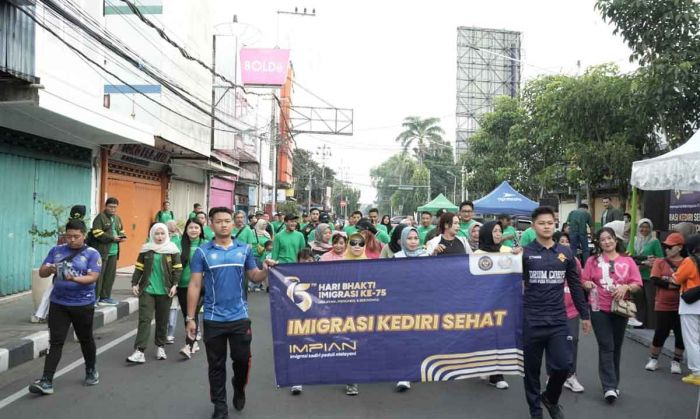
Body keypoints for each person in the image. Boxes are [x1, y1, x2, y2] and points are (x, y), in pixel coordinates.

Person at [186, 207, 275, 417]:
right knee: (216, 365)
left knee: (242, 361)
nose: (224, 224)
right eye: (219, 221)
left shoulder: (244, 249)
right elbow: (195, 285)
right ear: (211, 224)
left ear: (233, 223)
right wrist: (190, 318)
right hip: (212, 318)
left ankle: (238, 386)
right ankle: (220, 406)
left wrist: (266, 270)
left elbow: (254, 276)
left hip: (239, 318)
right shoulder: (202, 252)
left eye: (227, 220)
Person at [522, 206, 591, 419]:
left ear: (555, 224)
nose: (546, 226)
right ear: (534, 226)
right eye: (541, 223)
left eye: (550, 223)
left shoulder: (566, 253)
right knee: (532, 372)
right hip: (531, 321)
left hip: (558, 321)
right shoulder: (525, 253)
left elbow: (576, 286)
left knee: (563, 366)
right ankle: (535, 411)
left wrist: (585, 314)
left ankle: (550, 399)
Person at [28, 219, 102, 395]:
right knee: (56, 341)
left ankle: (91, 370)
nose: (72, 240)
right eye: (68, 236)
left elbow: (92, 277)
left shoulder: (92, 254)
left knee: (86, 339)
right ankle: (47, 380)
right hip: (59, 303)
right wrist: (51, 269)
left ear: (83, 235)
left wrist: (73, 279)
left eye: (76, 236)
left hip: (83, 304)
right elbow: (42, 271)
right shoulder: (57, 251)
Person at [581, 227, 642, 403]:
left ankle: (613, 383)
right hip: (599, 308)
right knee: (606, 345)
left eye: (609, 238)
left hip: (621, 309)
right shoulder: (593, 261)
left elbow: (637, 283)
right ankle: (608, 386)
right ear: (599, 244)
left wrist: (626, 287)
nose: (606, 242)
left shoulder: (628, 261)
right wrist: (588, 285)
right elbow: (584, 280)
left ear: (615, 240)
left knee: (616, 346)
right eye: (603, 240)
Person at [126, 223, 183, 364]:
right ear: (152, 234)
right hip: (147, 290)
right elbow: (139, 267)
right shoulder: (146, 249)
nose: (159, 236)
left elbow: (178, 269)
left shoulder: (172, 250)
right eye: (156, 234)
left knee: (162, 320)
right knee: (144, 319)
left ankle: (160, 347)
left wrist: (175, 285)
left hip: (165, 290)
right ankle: (139, 351)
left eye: (162, 233)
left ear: (167, 234)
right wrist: (134, 283)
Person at [474, 221, 512, 391]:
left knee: (500, 338)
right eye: (495, 231)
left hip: (504, 303)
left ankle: (497, 375)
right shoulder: (478, 254)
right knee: (487, 338)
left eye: (500, 231)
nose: (498, 234)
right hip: (485, 303)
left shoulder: (507, 251)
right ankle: (485, 367)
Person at [644, 232, 685, 374]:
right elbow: (656, 280)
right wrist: (675, 285)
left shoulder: (687, 262)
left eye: (670, 246)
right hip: (663, 304)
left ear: (679, 247)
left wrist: (668, 282)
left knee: (681, 334)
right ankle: (653, 359)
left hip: (683, 305)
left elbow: (689, 282)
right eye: (665, 246)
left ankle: (676, 361)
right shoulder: (660, 262)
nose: (666, 249)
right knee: (661, 332)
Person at [550, 232, 585, 393]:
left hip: (571, 310)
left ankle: (570, 376)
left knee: (572, 342)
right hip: (552, 310)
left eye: (567, 241)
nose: (564, 244)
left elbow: (580, 282)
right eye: (561, 241)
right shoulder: (548, 259)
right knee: (551, 344)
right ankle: (551, 375)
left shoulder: (575, 261)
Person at [175, 219, 207, 359]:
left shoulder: (207, 245)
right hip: (183, 285)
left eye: (196, 227)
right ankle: (193, 342)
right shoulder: (179, 245)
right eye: (190, 227)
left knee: (192, 314)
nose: (193, 230)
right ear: (186, 230)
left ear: (201, 230)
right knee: (187, 315)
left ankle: (189, 345)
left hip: (202, 286)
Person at [672, 235, 700, 385]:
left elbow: (676, 279)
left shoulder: (690, 261)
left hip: (691, 303)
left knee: (692, 340)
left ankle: (697, 372)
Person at [89, 197, 126, 307]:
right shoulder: (100, 218)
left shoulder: (118, 219)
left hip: (114, 252)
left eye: (115, 207)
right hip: (102, 252)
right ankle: (94, 299)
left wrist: (122, 237)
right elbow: (96, 233)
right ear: (106, 206)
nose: (113, 209)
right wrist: (112, 238)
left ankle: (105, 297)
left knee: (110, 276)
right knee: (99, 276)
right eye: (110, 207)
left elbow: (121, 230)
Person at [631, 218, 664, 330]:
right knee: (638, 302)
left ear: (650, 229)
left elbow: (660, 259)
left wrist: (652, 262)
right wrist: (644, 261)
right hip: (636, 277)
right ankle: (639, 324)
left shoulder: (654, 242)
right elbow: (628, 257)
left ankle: (651, 326)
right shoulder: (633, 240)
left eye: (647, 227)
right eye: (641, 227)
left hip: (650, 276)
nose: (644, 229)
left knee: (650, 301)